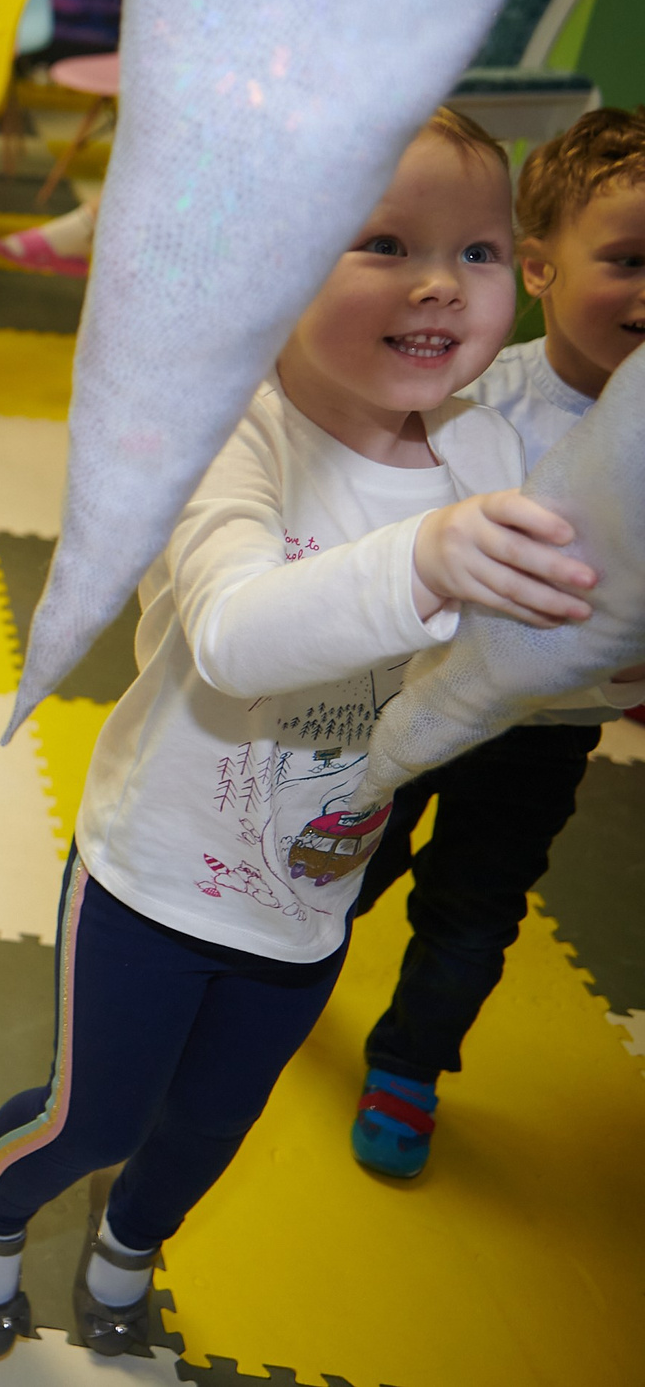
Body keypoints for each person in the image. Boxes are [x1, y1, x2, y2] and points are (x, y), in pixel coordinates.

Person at [0, 109, 634, 1362]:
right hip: (151, 879)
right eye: (382, 242)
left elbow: (531, 638)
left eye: (476, 251)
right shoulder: (228, 438)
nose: (439, 283)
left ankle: (125, 1250)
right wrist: (422, 556)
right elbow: (237, 637)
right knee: (94, 1117)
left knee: (205, 1131)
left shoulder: (483, 448)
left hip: (310, 892)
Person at [346, 107, 645, 1177]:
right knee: (350, 858)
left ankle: (408, 1067)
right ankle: (270, 978)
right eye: (626, 260)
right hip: (421, 691)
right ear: (539, 268)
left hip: (549, 730)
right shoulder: (481, 394)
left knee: (474, 911)